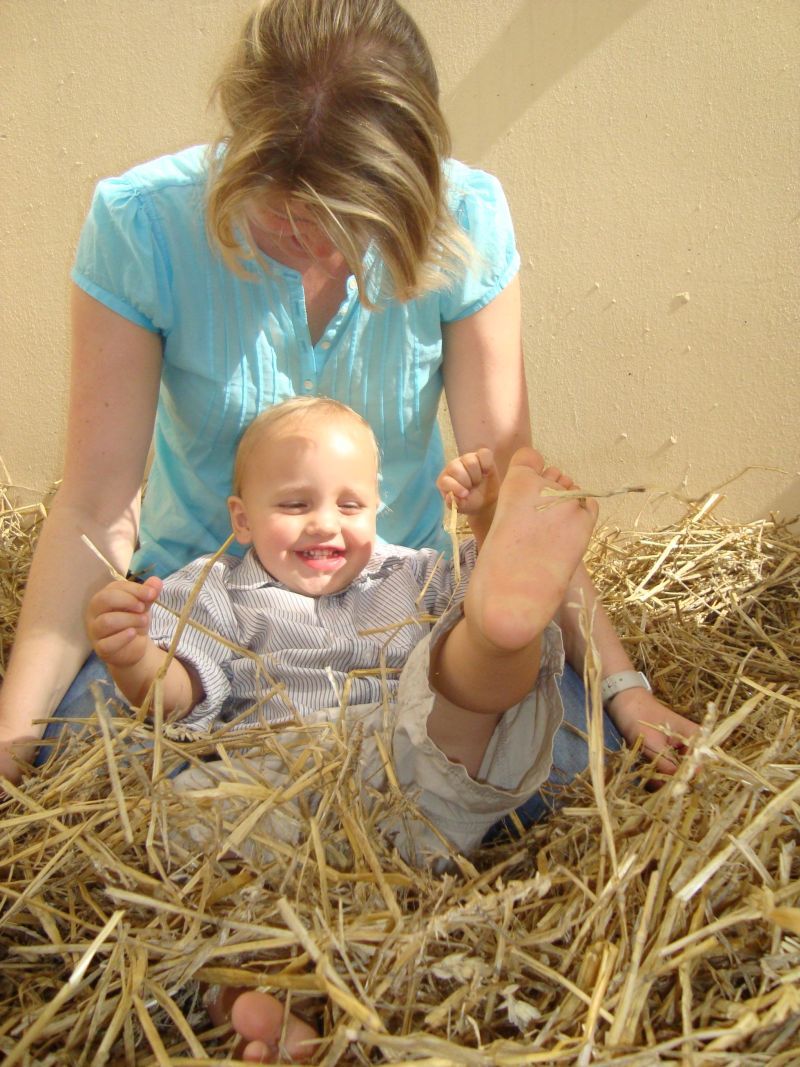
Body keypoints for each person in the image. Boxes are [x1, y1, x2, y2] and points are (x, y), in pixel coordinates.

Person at [0, 0, 691, 805]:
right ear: (239, 153)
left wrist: (623, 690)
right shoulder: (142, 224)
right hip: (202, 627)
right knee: (92, 770)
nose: (319, 243)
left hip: (402, 616)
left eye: (354, 220)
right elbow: (93, 504)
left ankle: (388, 761)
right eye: (287, 214)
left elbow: (516, 506)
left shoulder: (465, 217)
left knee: (564, 762)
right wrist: (12, 736)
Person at [86, 396, 697, 1063]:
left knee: (454, 687)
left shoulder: (416, 572)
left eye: (350, 506)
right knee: (197, 845)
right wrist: (135, 659)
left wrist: (483, 521)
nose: (326, 523)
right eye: (295, 504)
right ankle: (259, 1005)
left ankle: (500, 626)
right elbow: (180, 696)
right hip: (276, 782)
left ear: (378, 509)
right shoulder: (213, 588)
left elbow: (430, 709)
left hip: (405, 765)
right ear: (242, 518)